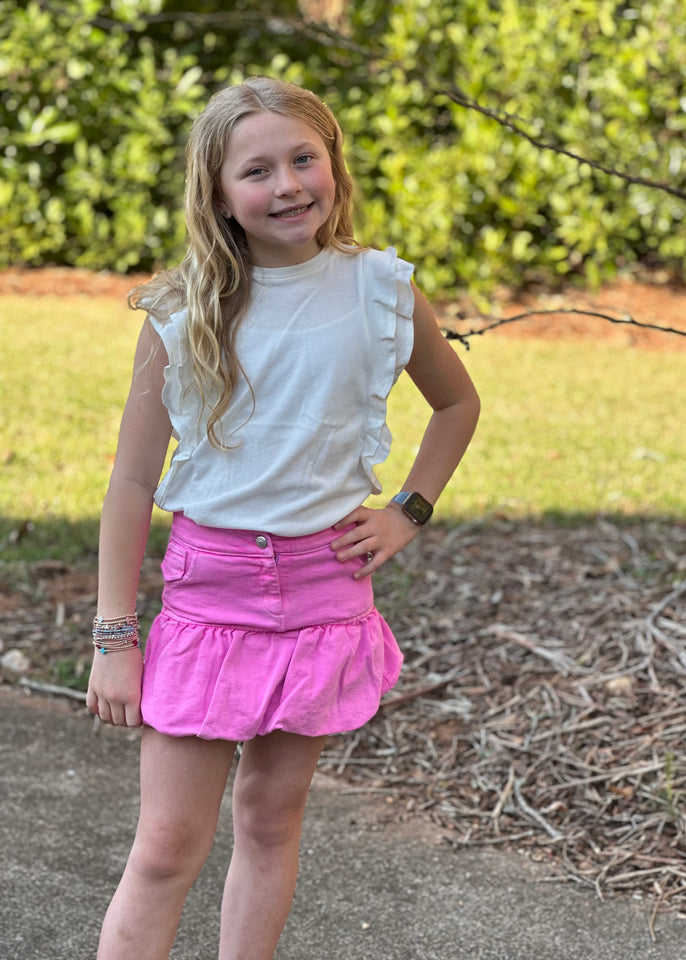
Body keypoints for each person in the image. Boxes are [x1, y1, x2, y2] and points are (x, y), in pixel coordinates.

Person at [86, 76, 480, 960]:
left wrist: (409, 510)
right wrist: (116, 637)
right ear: (219, 195)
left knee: (269, 821)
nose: (289, 184)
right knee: (165, 848)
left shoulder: (380, 289)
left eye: (305, 158)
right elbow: (131, 481)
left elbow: (457, 406)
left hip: (322, 593)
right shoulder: (182, 310)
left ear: (332, 164)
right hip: (209, 599)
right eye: (257, 170)